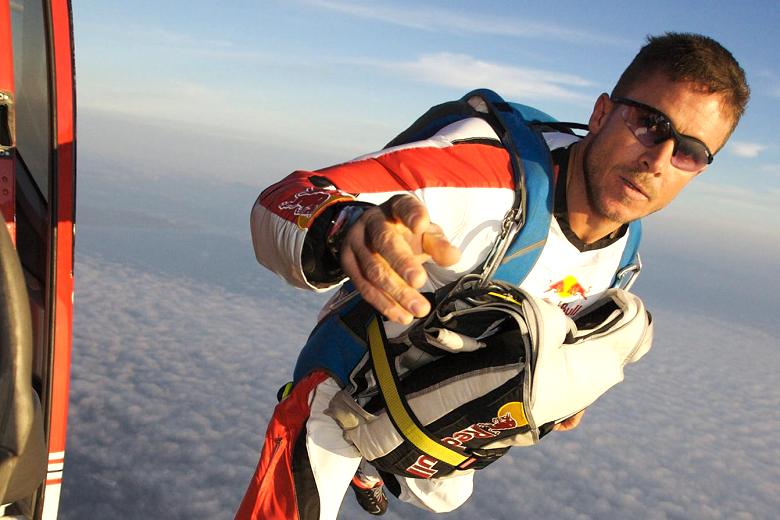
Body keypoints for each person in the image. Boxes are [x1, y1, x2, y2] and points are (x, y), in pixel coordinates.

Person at [236, 32, 749, 519]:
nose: (657, 161)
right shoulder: (485, 176)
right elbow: (287, 198)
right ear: (600, 114)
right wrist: (344, 228)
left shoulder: (624, 250)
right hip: (354, 367)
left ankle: (376, 467)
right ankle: (341, 441)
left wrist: (559, 398)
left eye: (689, 152)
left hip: (441, 382)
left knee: (442, 494)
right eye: (650, 124)